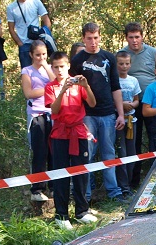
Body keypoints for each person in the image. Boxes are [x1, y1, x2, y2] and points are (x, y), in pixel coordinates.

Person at [70, 22, 125, 203]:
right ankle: (85, 195)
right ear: (83, 39)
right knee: (88, 154)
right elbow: (73, 90)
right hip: (87, 114)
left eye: (95, 37)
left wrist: (121, 114)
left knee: (109, 153)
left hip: (108, 113)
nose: (93, 42)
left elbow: (116, 87)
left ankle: (114, 192)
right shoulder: (77, 61)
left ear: (100, 37)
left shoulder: (109, 57)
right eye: (89, 38)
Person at [44, 51, 98, 229]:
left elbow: (92, 103)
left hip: (79, 131)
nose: (60, 70)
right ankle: (61, 215)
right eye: (56, 67)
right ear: (52, 67)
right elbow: (54, 110)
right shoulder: (50, 87)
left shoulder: (78, 83)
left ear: (68, 66)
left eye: (62, 66)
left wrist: (86, 86)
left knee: (81, 172)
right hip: (60, 133)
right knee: (61, 174)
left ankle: (82, 211)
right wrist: (63, 91)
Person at [121, 22, 156, 187]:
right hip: (132, 106)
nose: (134, 40)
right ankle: (133, 182)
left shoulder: (152, 52)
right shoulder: (122, 55)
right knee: (133, 144)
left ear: (142, 36)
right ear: (126, 38)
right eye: (131, 37)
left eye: (137, 37)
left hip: (152, 103)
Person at [21, 39, 54, 202]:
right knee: (39, 152)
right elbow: (28, 93)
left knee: (54, 152)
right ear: (31, 55)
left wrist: (47, 66)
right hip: (36, 115)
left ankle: (55, 186)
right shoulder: (27, 71)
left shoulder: (50, 69)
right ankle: (37, 189)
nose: (41, 58)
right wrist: (48, 89)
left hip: (52, 114)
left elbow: (58, 84)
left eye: (44, 54)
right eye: (37, 55)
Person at [116, 50, 141, 198]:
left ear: (130, 64)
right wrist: (121, 105)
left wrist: (132, 105)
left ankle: (130, 185)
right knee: (121, 153)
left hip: (132, 121)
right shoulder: (114, 80)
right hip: (119, 122)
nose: (124, 66)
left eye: (126, 63)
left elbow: (137, 99)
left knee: (131, 154)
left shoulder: (133, 80)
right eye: (121, 64)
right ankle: (122, 187)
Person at [6, 0, 51, 68]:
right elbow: (11, 29)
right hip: (24, 45)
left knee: (43, 70)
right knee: (27, 72)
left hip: (38, 42)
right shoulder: (11, 7)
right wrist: (20, 44)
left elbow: (46, 20)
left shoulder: (36, 2)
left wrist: (44, 38)